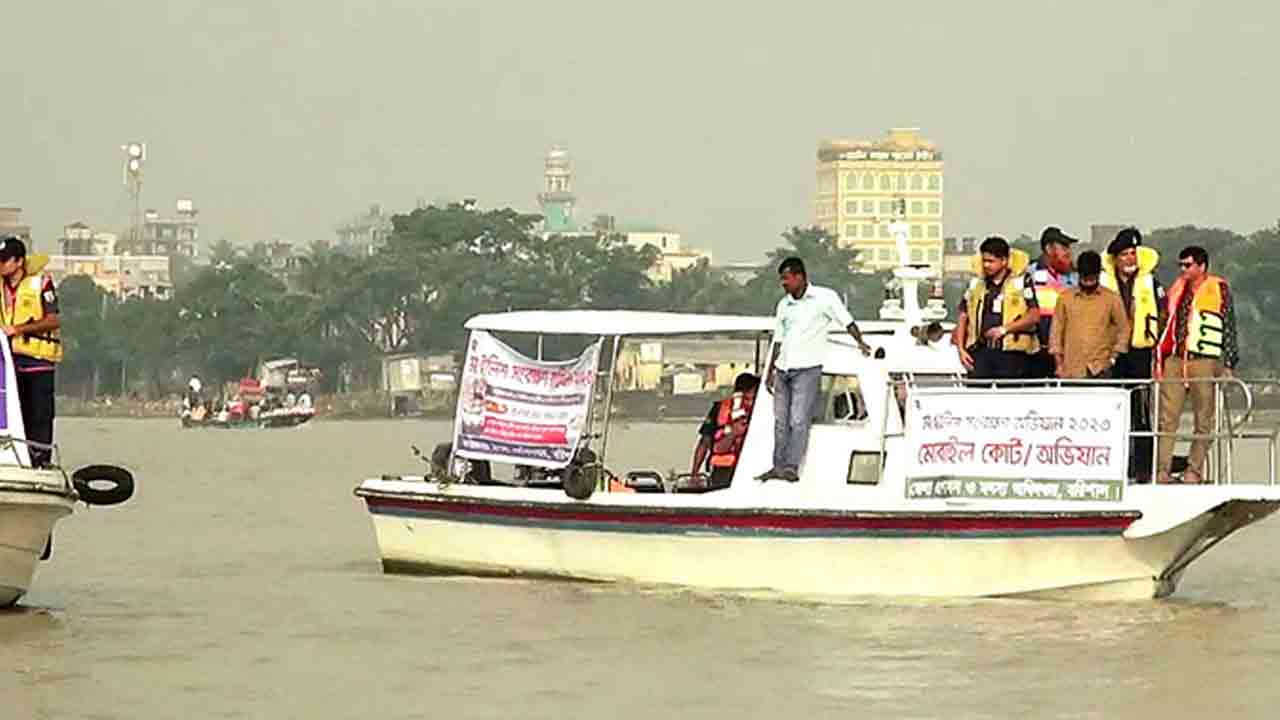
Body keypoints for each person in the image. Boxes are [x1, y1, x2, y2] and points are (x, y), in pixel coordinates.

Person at [760, 257, 870, 482]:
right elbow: (778, 339)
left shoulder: (824, 297)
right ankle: (777, 465)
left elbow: (846, 321)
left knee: (799, 420)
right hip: (783, 368)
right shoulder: (784, 304)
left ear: (800, 277)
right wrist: (769, 369)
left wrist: (860, 341)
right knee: (781, 422)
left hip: (807, 368)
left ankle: (791, 466)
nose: (784, 284)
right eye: (782, 279)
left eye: (786, 279)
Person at [1154, 245, 1239, 484]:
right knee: (1167, 419)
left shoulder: (1219, 289)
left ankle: (1194, 469)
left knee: (1204, 419)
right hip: (1175, 360)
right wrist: (1158, 358)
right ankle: (1162, 470)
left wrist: (1229, 363)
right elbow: (1164, 324)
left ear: (1201, 266)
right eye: (1180, 265)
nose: (1183, 270)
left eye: (1188, 265)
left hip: (1204, 360)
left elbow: (1229, 325)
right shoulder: (1176, 289)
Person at [1101, 228, 1166, 481]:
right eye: (1125, 254)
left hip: (1139, 352)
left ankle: (1141, 469)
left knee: (1140, 412)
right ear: (1115, 258)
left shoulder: (1150, 281)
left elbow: (1162, 312)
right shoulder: (1104, 281)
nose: (1130, 259)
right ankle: (1115, 465)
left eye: (1133, 254)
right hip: (1111, 352)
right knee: (1114, 410)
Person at [0, 237, 61, 467]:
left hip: (38, 361)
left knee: (40, 415)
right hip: (10, 364)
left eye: (5, 261)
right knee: (14, 414)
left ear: (19, 262)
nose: (1, 265)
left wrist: (18, 329)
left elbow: (53, 320)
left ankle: (40, 460)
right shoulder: (1, 287)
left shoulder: (41, 283)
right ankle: (14, 459)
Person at [952, 236, 1041, 380]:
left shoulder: (1021, 282)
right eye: (984, 261)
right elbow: (963, 315)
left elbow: (1034, 315)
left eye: (991, 261)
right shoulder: (976, 284)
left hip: (1011, 355)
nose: (986, 265)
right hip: (980, 353)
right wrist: (961, 349)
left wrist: (1004, 329)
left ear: (1004, 261)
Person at [1048, 251, 1129, 379]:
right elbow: (1056, 333)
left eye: (1092, 278)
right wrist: (1059, 365)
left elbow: (1123, 330)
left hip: (1101, 370)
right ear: (1078, 274)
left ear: (1098, 274)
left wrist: (1112, 359)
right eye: (1085, 277)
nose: (1088, 282)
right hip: (1071, 371)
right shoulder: (1065, 299)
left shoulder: (1112, 299)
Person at [690, 373, 760, 490]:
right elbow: (704, 443)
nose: (750, 403)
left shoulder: (763, 411)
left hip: (752, 468)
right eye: (747, 398)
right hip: (723, 471)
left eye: (754, 398)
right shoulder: (720, 409)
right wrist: (694, 473)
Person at [1028, 226, 1079, 378]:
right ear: (1049, 249)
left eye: (1069, 248)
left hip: (1068, 351)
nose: (1068, 253)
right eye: (1064, 248)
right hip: (1037, 351)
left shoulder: (1076, 276)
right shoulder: (1029, 274)